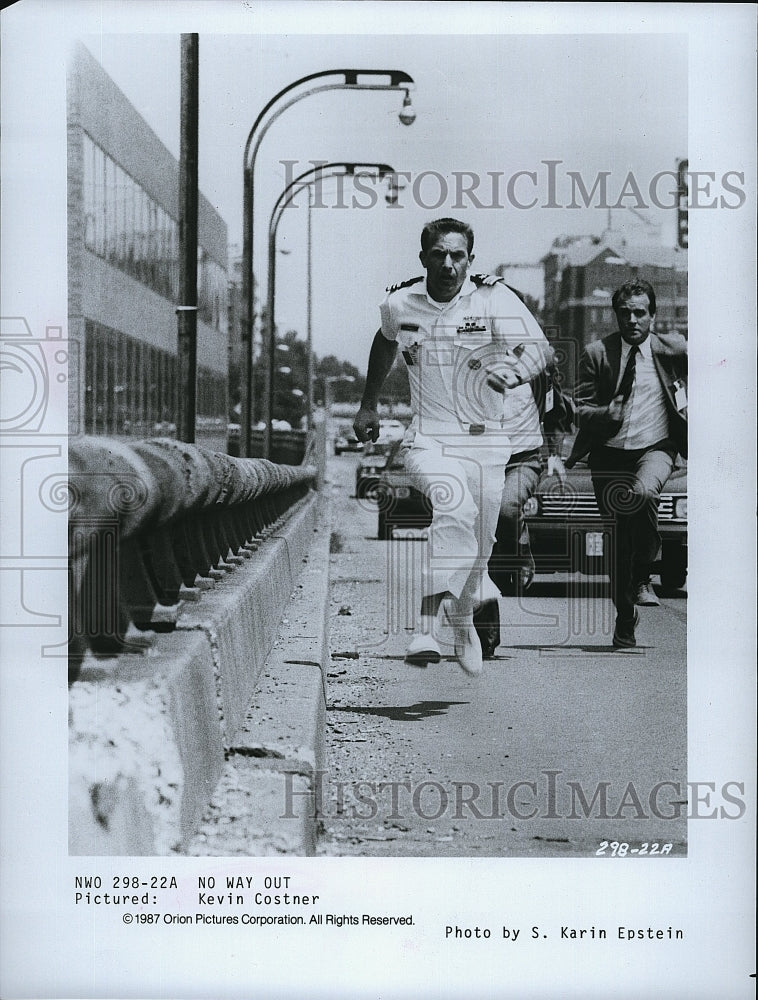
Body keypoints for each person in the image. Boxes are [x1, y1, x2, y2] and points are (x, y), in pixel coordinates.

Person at [353, 218, 548, 676]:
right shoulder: (399, 302)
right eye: (438, 254)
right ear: (423, 259)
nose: (447, 264)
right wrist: (367, 405)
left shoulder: (493, 298)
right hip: (429, 436)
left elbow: (538, 350)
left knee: (479, 551)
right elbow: (384, 344)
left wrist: (515, 372)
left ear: (470, 261)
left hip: (486, 442)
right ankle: (424, 628)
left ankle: (462, 623)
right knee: (452, 508)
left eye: (457, 255)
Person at [566, 278, 687, 649]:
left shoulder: (675, 349)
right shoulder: (597, 353)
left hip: (656, 448)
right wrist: (606, 411)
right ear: (616, 315)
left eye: (640, 313)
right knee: (616, 540)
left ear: (653, 316)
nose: (632, 320)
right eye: (625, 313)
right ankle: (624, 616)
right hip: (609, 454)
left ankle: (642, 575)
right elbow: (578, 410)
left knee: (644, 493)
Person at [473, 349, 575, 658]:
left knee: (505, 509)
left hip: (523, 459)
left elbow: (556, 410)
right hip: (481, 459)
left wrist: (555, 453)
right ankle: (485, 633)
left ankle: (521, 552)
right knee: (480, 540)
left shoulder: (535, 363)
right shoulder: (470, 357)